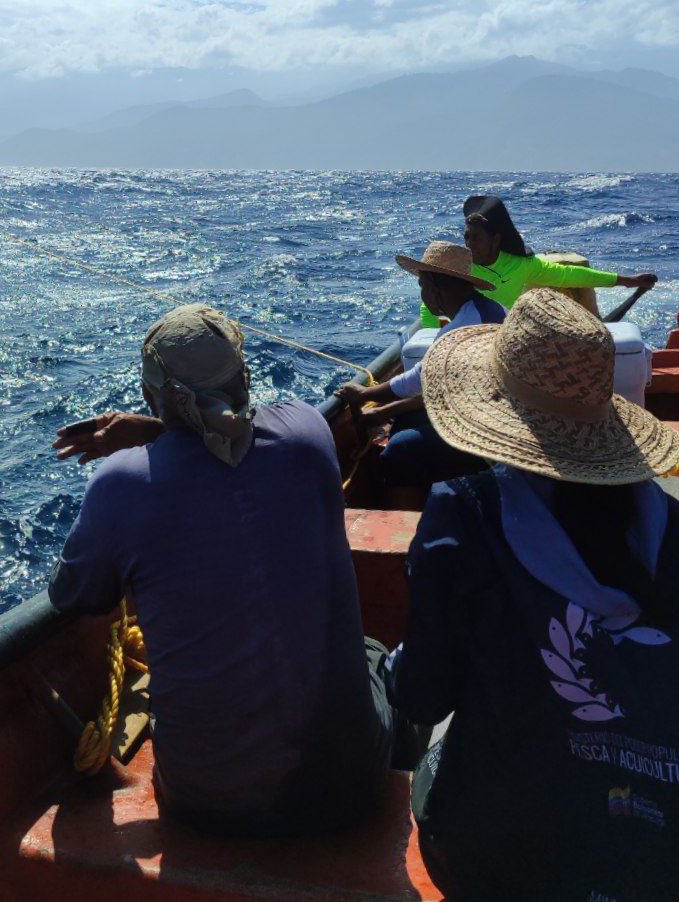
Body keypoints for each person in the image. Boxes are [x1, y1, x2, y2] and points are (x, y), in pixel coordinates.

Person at [48, 303, 407, 836]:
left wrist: (149, 440)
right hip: (350, 788)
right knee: (372, 650)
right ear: (244, 377)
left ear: (151, 397)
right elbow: (230, 443)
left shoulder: (120, 486)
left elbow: (74, 595)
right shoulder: (309, 435)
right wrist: (157, 432)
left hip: (208, 801)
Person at [388, 288, 679, 900]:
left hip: (501, 856)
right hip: (655, 856)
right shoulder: (670, 526)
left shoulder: (461, 517)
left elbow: (423, 694)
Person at [339, 241, 506, 491]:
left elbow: (423, 383)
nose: (422, 295)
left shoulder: (460, 330)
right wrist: (377, 405)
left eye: (422, 286)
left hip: (490, 435)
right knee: (403, 421)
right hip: (485, 411)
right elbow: (432, 384)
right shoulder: (485, 309)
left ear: (435, 287)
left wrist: (369, 398)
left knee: (398, 449)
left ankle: (421, 509)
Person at [421, 194, 656, 327]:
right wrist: (432, 340)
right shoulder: (460, 267)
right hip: (463, 341)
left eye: (476, 238)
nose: (469, 244)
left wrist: (627, 281)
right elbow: (429, 303)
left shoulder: (521, 265)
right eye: (466, 237)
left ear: (495, 240)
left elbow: (569, 275)